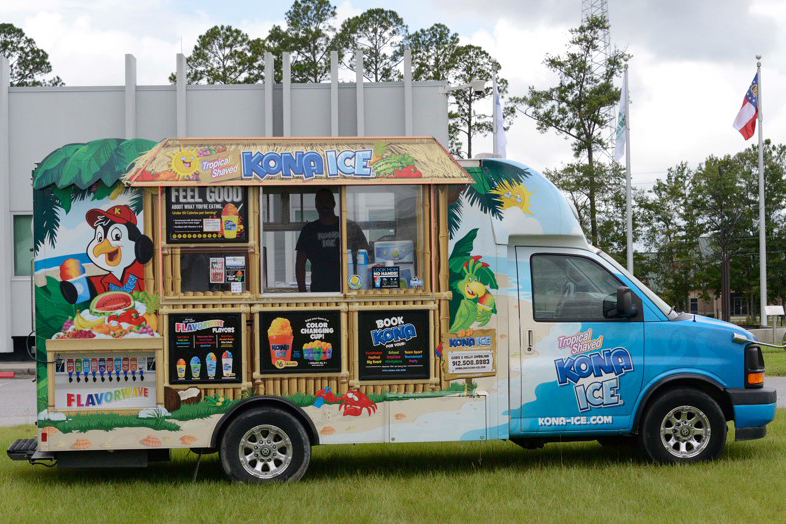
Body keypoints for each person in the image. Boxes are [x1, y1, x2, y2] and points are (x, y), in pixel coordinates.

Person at [296, 188, 369, 292]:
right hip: (319, 291)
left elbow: (365, 255)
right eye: (320, 202)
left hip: (349, 288)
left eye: (327, 201)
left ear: (334, 204)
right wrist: (302, 292)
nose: (323, 205)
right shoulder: (309, 230)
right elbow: (300, 263)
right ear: (316, 205)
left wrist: (363, 287)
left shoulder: (349, 227)